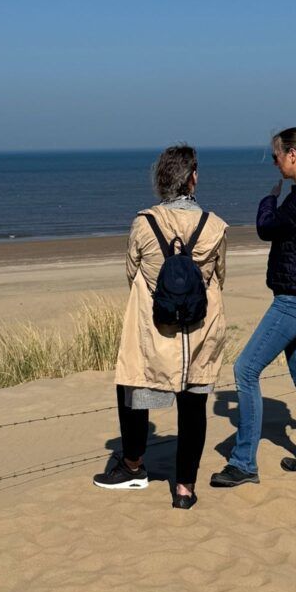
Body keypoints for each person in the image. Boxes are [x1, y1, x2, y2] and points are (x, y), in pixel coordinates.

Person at [210, 127, 296, 488]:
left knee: (246, 370)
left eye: (275, 156)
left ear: (292, 155)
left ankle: (243, 463)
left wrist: (270, 198)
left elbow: (266, 228)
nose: (274, 163)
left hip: (295, 299)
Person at [93, 145, 228, 510]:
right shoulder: (214, 226)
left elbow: (131, 272)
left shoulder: (143, 223)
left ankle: (133, 465)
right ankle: (184, 488)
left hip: (154, 327)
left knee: (134, 386)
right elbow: (219, 277)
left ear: (161, 180)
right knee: (194, 404)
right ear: (193, 178)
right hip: (199, 329)